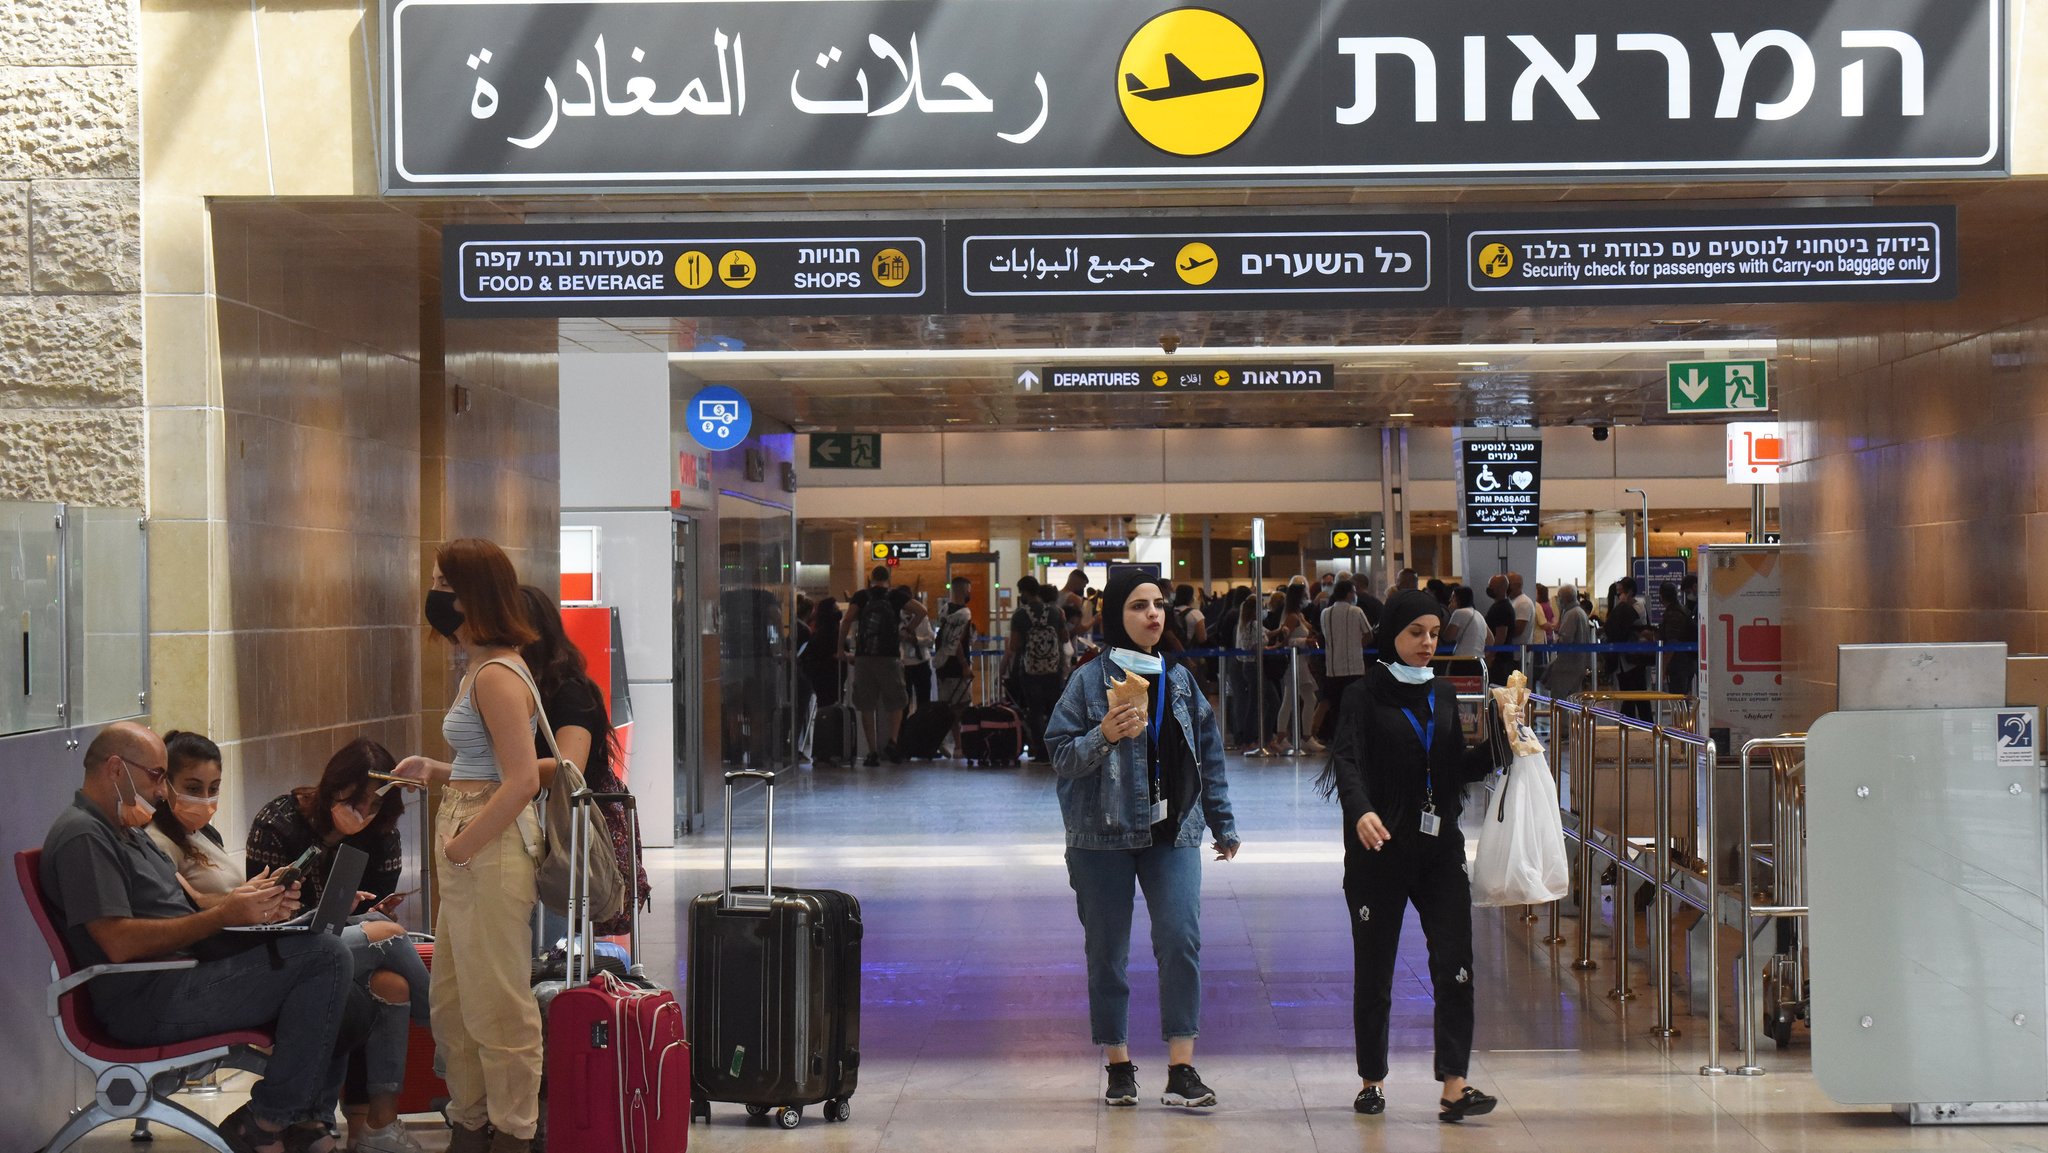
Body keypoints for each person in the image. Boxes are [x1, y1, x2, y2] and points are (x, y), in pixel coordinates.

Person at [41, 721, 353, 1153]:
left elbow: (188, 907)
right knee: (325, 958)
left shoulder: (127, 832)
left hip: (183, 974)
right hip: (148, 998)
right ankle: (269, 1120)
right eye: (155, 776)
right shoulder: (85, 836)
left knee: (334, 957)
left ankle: (292, 1119)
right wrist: (225, 914)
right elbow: (118, 941)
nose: (162, 791)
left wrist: (251, 902)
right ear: (116, 768)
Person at [1044, 572, 1241, 1110]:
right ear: (1114, 617)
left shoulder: (1180, 679)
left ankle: (1182, 1068)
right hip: (1099, 837)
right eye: (1138, 606)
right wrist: (1103, 735)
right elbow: (1059, 755)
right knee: (1107, 952)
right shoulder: (1088, 681)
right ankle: (1119, 1064)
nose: (1153, 615)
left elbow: (1210, 757)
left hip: (1172, 833)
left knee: (1181, 940)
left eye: (1158, 605)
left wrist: (1222, 823)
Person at [1319, 592, 1502, 1124]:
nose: (1428, 643)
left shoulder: (1443, 694)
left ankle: (1454, 1085)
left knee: (1456, 962)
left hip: (1439, 847)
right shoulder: (1362, 695)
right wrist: (1360, 811)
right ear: (1393, 634)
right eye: (1416, 632)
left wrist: (1500, 745)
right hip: (1379, 849)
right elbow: (1346, 760)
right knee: (1374, 969)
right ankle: (1371, 1080)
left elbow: (1451, 769)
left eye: (1434, 633)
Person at [393, 537, 544, 1153]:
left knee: (498, 1003)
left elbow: (524, 778)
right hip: (470, 843)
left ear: (474, 594)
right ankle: (472, 1119)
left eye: (443, 585)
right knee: (455, 999)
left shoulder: (497, 675)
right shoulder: (480, 668)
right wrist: (435, 770)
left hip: (489, 848)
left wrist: (463, 846)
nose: (435, 597)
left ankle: (511, 1130)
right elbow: (486, 767)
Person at [246, 738, 429, 1153]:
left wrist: (359, 910)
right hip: (285, 948)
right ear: (333, 786)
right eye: (356, 800)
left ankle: (377, 1125)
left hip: (339, 944)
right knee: (391, 937)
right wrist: (330, 888)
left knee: (391, 982)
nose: (364, 814)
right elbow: (266, 913)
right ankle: (447, 1040)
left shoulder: (381, 835)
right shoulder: (279, 821)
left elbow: (376, 911)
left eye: (376, 805)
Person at [519, 585, 653, 938]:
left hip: (571, 829)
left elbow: (568, 770)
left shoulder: (567, 691)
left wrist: (494, 774)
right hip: (551, 827)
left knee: (553, 938)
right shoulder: (530, 688)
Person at [144, 730, 241, 899]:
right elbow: (180, 913)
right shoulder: (158, 843)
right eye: (193, 789)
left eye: (213, 788)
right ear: (166, 784)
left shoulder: (206, 832)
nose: (205, 799)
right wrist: (242, 902)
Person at [843, 566, 907, 767]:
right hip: (889, 657)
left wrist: (839, 648)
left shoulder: (862, 596)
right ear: (889, 578)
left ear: (871, 579)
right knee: (895, 702)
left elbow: (846, 620)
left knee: (866, 705)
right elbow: (921, 611)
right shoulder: (895, 596)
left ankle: (872, 752)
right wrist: (905, 630)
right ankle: (892, 742)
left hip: (865, 658)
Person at [1005, 575, 1068, 764]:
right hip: (1053, 668)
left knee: (1035, 711)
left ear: (1024, 592)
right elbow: (1064, 637)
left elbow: (1015, 645)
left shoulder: (1020, 615)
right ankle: (1058, 749)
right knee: (1054, 709)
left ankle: (1040, 752)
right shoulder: (1055, 612)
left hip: (1030, 671)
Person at [1314, 580, 1373, 744]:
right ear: (1348, 594)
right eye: (1354, 592)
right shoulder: (1356, 611)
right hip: (1354, 668)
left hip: (1332, 669)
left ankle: (1334, 738)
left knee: (1333, 707)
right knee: (1354, 707)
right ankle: (1354, 739)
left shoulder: (1325, 613)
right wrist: (1356, 644)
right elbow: (1369, 634)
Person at [1544, 586, 1593, 697]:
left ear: (1563, 598)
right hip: (1578, 663)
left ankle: (1561, 716)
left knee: (1560, 699)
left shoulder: (1571, 614)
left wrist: (1556, 641)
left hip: (1568, 664)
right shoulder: (1580, 612)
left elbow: (1566, 639)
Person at [899, 588, 935, 725]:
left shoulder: (922, 617)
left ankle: (922, 732)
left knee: (924, 704)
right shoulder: (896, 618)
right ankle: (903, 736)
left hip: (921, 663)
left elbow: (931, 639)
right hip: (904, 665)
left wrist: (916, 640)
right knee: (903, 705)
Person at [1658, 582, 1697, 697]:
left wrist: (1663, 667)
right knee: (1681, 698)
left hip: (1679, 664)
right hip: (1687, 661)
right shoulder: (1681, 610)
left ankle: (1681, 716)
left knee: (1678, 698)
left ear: (1661, 596)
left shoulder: (1673, 613)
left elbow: (1672, 642)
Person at [1442, 585, 1487, 680]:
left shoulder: (1459, 613)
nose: (1450, 600)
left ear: (1458, 599)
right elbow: (1490, 639)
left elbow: (1448, 637)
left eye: (1453, 597)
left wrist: (1450, 614)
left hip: (1462, 661)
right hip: (1479, 662)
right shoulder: (1478, 614)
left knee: (1458, 691)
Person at [1483, 574, 1517, 686]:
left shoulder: (1502, 608)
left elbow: (1500, 636)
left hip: (1500, 660)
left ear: (1502, 588)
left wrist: (1491, 656)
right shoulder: (1501, 606)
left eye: (1492, 586)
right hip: (1502, 658)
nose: (1489, 589)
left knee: (1498, 690)